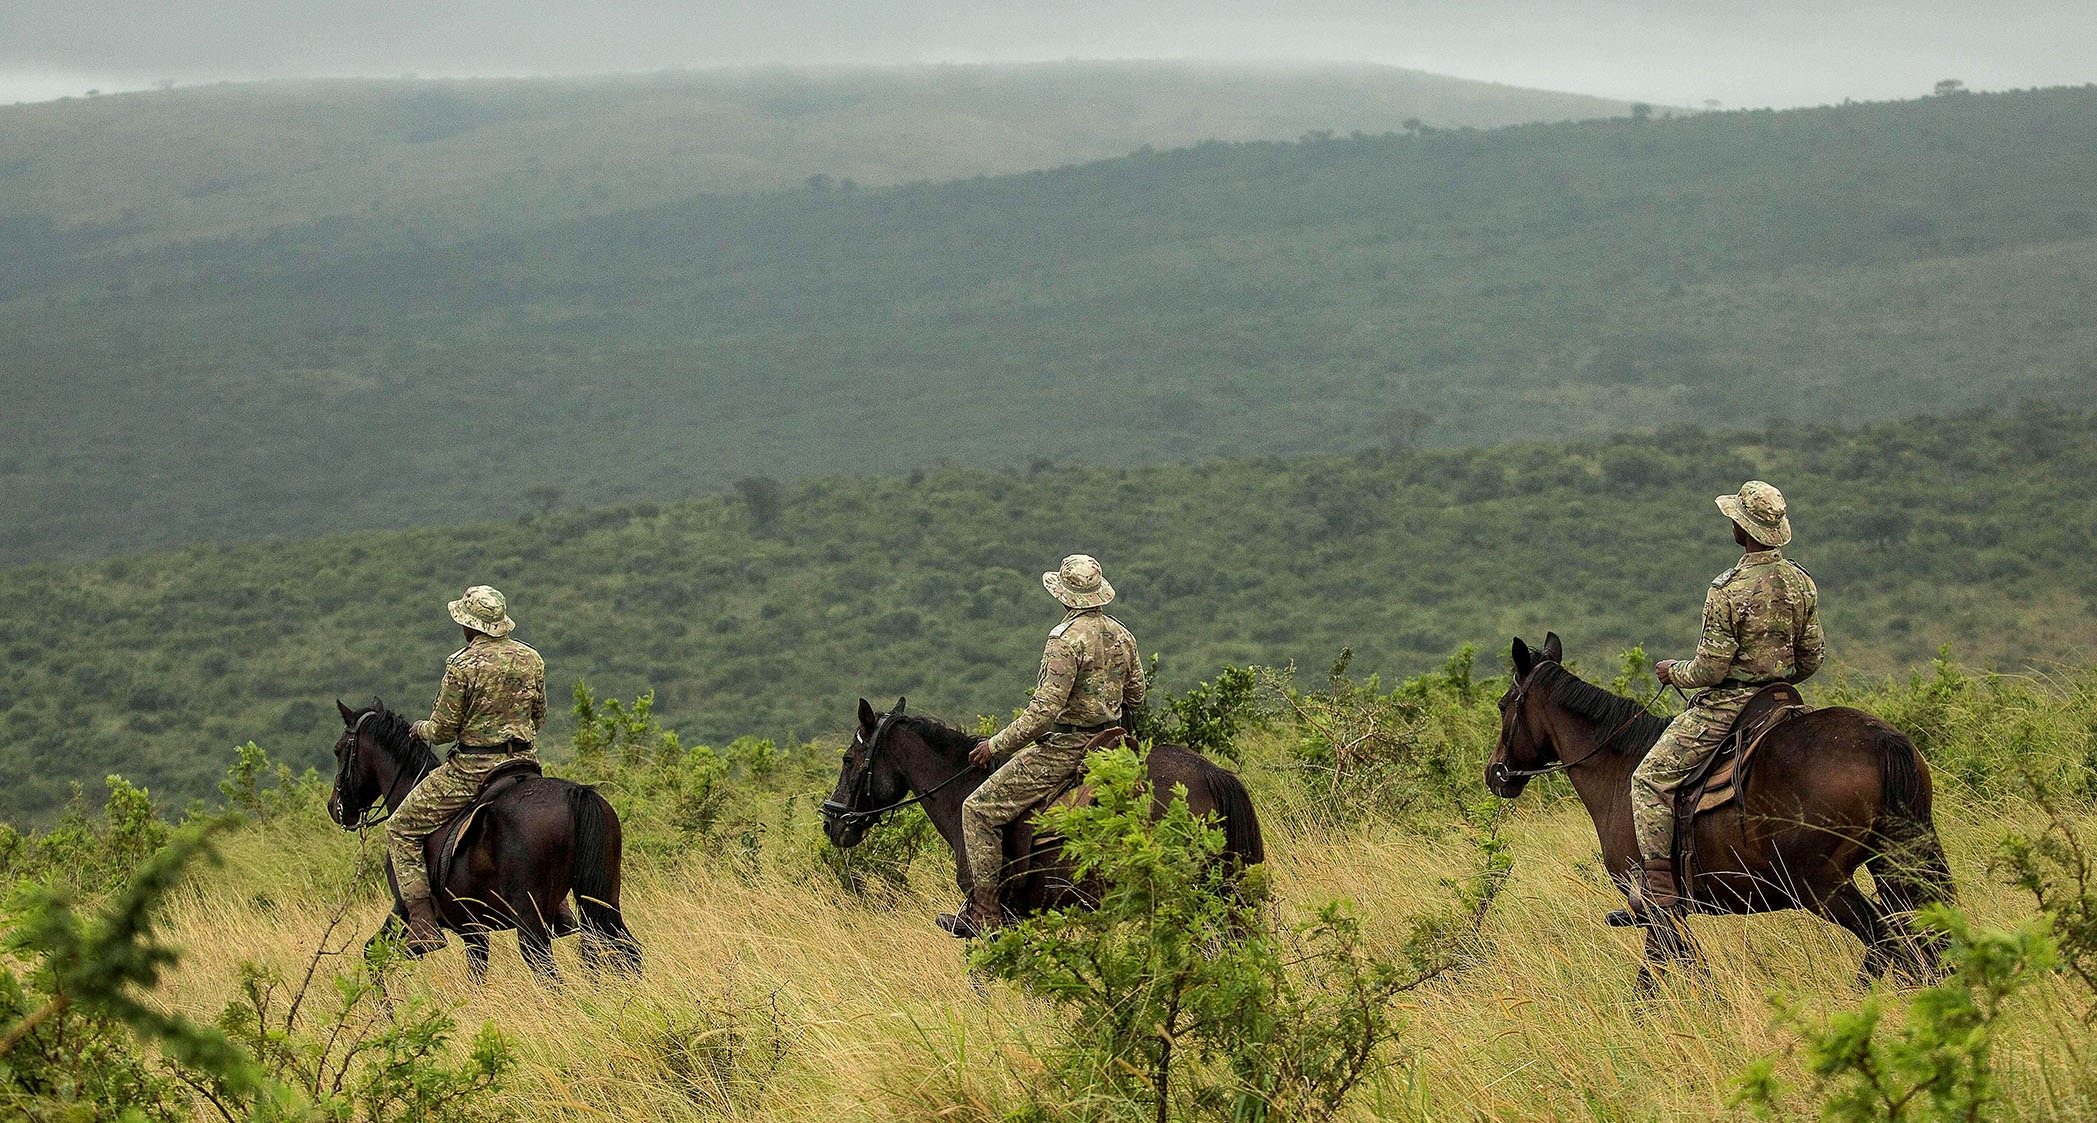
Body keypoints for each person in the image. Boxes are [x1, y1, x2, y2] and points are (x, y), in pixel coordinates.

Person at [1633, 481, 1825, 920]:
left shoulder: (1727, 589)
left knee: (1648, 778)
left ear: (1743, 527)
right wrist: (1774, 676)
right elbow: (1812, 657)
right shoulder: (1802, 583)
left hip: (1728, 707)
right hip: (1780, 699)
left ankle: (1659, 888)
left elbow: (1711, 671)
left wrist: (1673, 672)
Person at [938, 554, 1146, 938]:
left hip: (1068, 748)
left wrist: (994, 746)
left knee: (977, 809)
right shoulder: (1123, 635)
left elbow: (1043, 714)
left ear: (1064, 595)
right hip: (1114, 742)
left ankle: (984, 913)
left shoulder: (1063, 641)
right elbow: (1136, 695)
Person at [388, 585, 547, 955]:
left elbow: (443, 730)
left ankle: (422, 920)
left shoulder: (462, 666)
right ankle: (556, 907)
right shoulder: (532, 658)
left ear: (469, 626)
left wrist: (419, 729)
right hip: (525, 765)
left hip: (473, 770)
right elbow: (539, 717)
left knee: (400, 827)